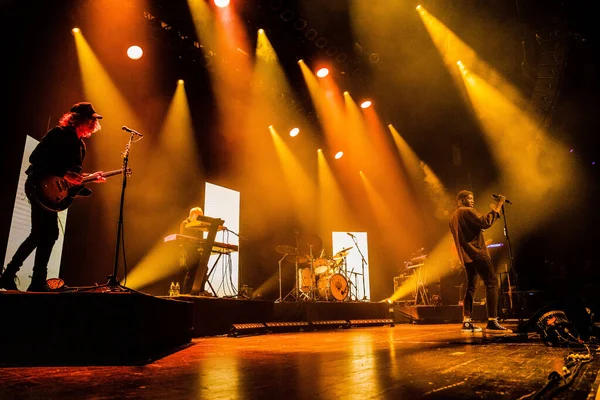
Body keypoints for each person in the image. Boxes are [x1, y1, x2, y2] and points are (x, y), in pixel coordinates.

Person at [0, 102, 105, 292]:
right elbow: (35, 158)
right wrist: (64, 174)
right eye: (90, 118)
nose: (93, 122)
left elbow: (73, 177)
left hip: (51, 194)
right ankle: (23, 278)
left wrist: (88, 179)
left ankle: (27, 279)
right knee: (44, 234)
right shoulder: (59, 134)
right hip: (39, 186)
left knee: (44, 235)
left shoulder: (81, 145)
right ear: (78, 118)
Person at [449, 190, 512, 335]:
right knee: (492, 281)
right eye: (469, 198)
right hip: (477, 253)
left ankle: (466, 321)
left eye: (472, 198)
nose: (472, 201)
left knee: (471, 286)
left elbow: (464, 235)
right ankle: (492, 321)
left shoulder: (453, 218)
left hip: (466, 256)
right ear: (460, 200)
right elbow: (485, 222)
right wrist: (498, 205)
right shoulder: (466, 211)